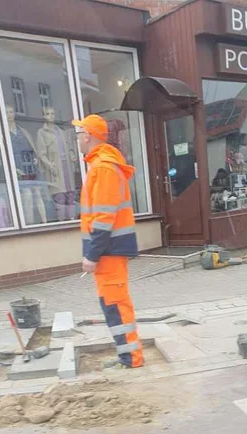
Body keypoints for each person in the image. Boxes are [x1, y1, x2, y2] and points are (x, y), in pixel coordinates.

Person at [72, 114, 143, 369]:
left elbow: (103, 219)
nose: (77, 140)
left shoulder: (102, 167)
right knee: (112, 304)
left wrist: (92, 254)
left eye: (78, 134)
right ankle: (127, 356)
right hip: (109, 251)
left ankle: (131, 358)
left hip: (108, 251)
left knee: (116, 305)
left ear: (88, 136)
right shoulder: (100, 165)